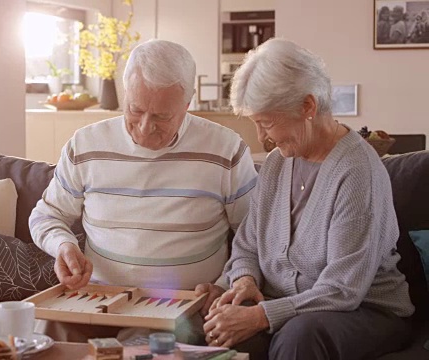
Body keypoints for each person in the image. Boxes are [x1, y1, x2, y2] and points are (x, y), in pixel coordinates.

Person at [29, 39, 258, 343]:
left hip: (183, 306)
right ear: (126, 95)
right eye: (136, 110)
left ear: (187, 103)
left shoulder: (226, 150)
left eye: (162, 117)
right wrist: (64, 246)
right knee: (41, 338)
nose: (146, 127)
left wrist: (225, 282)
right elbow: (47, 215)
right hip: (94, 300)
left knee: (143, 347)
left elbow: (253, 237)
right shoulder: (85, 145)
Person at [202, 38, 415, 360]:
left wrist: (261, 316)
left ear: (308, 107)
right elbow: (247, 245)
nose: (262, 138)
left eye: (267, 123)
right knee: (219, 330)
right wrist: (244, 281)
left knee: (299, 337)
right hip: (284, 308)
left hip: (364, 311)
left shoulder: (357, 172)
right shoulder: (277, 164)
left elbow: (343, 288)